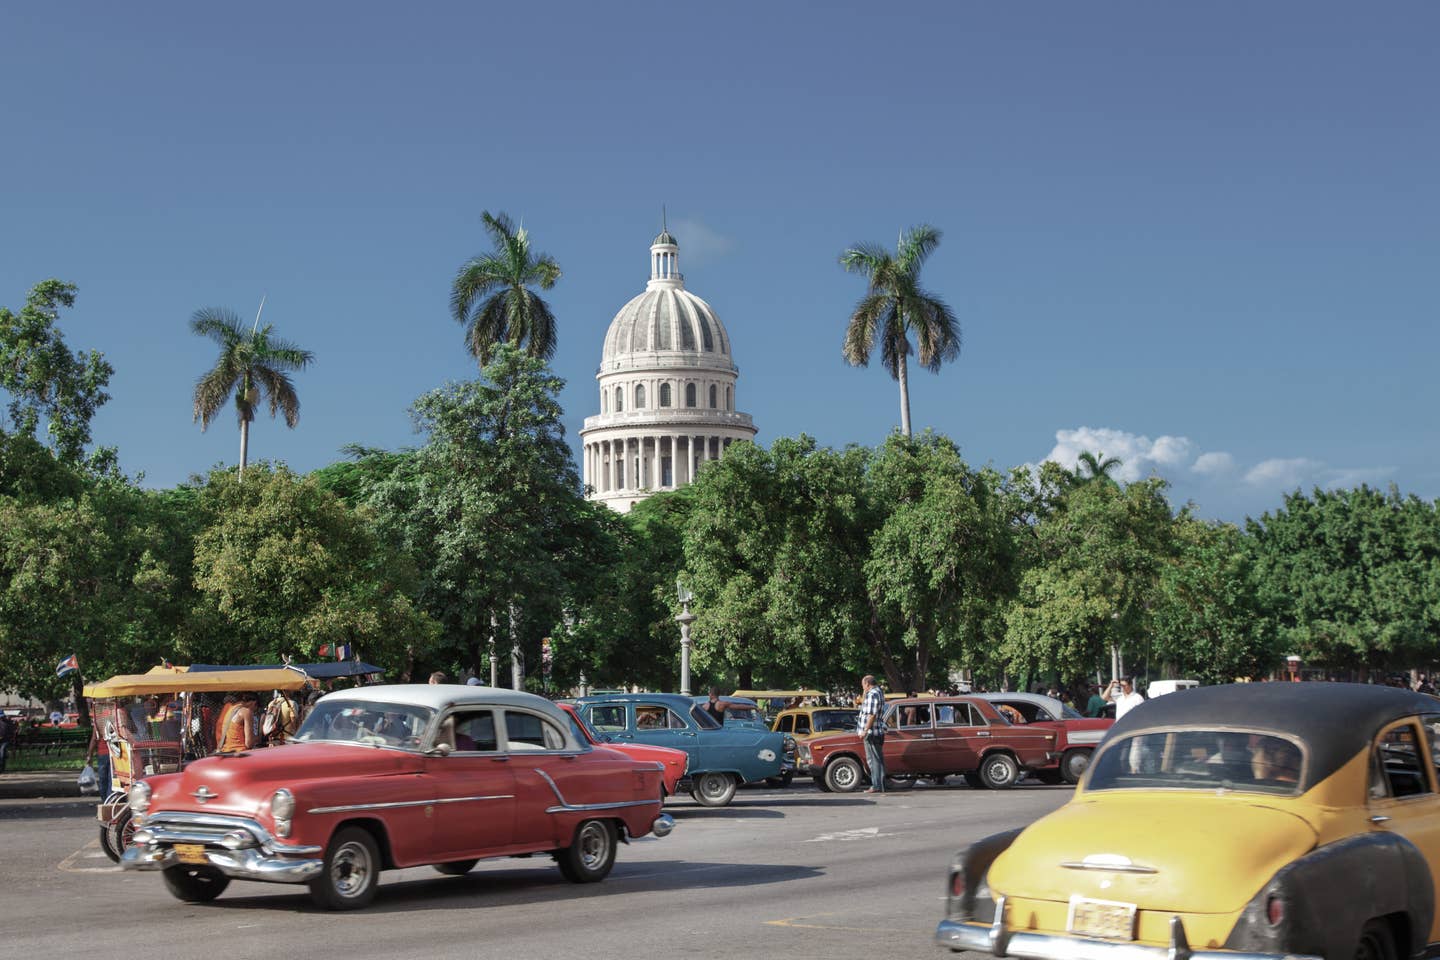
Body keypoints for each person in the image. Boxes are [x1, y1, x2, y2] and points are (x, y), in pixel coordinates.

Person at [856, 674, 887, 794]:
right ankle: (880, 784)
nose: (862, 687)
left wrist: (865, 730)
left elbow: (871, 714)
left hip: (872, 732)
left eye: (863, 685)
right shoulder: (878, 692)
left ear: (867, 684)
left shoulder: (873, 694)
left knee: (873, 760)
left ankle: (876, 785)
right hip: (876, 731)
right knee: (877, 759)